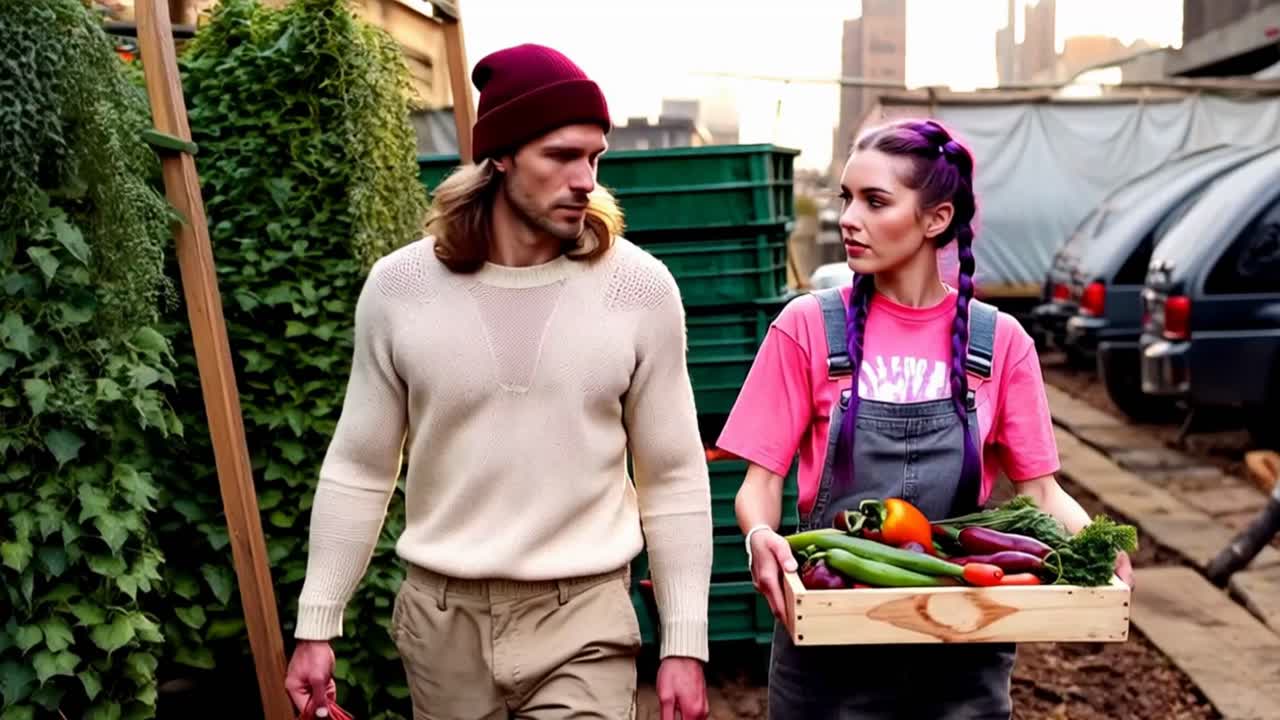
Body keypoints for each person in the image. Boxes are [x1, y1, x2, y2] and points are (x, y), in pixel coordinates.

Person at [284, 43, 712, 720]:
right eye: (562, 156)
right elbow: (361, 465)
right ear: (502, 155)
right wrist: (317, 621)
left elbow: (675, 474)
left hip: (585, 617)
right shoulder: (399, 288)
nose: (585, 179)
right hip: (441, 620)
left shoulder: (638, 288)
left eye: (594, 158)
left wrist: (686, 642)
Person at [715, 118, 1134, 719]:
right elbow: (759, 484)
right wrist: (760, 537)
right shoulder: (807, 327)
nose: (848, 219)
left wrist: (1097, 543)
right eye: (846, 199)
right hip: (832, 644)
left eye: (875, 201)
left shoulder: (999, 342)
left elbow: (1041, 490)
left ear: (936, 219)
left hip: (963, 648)